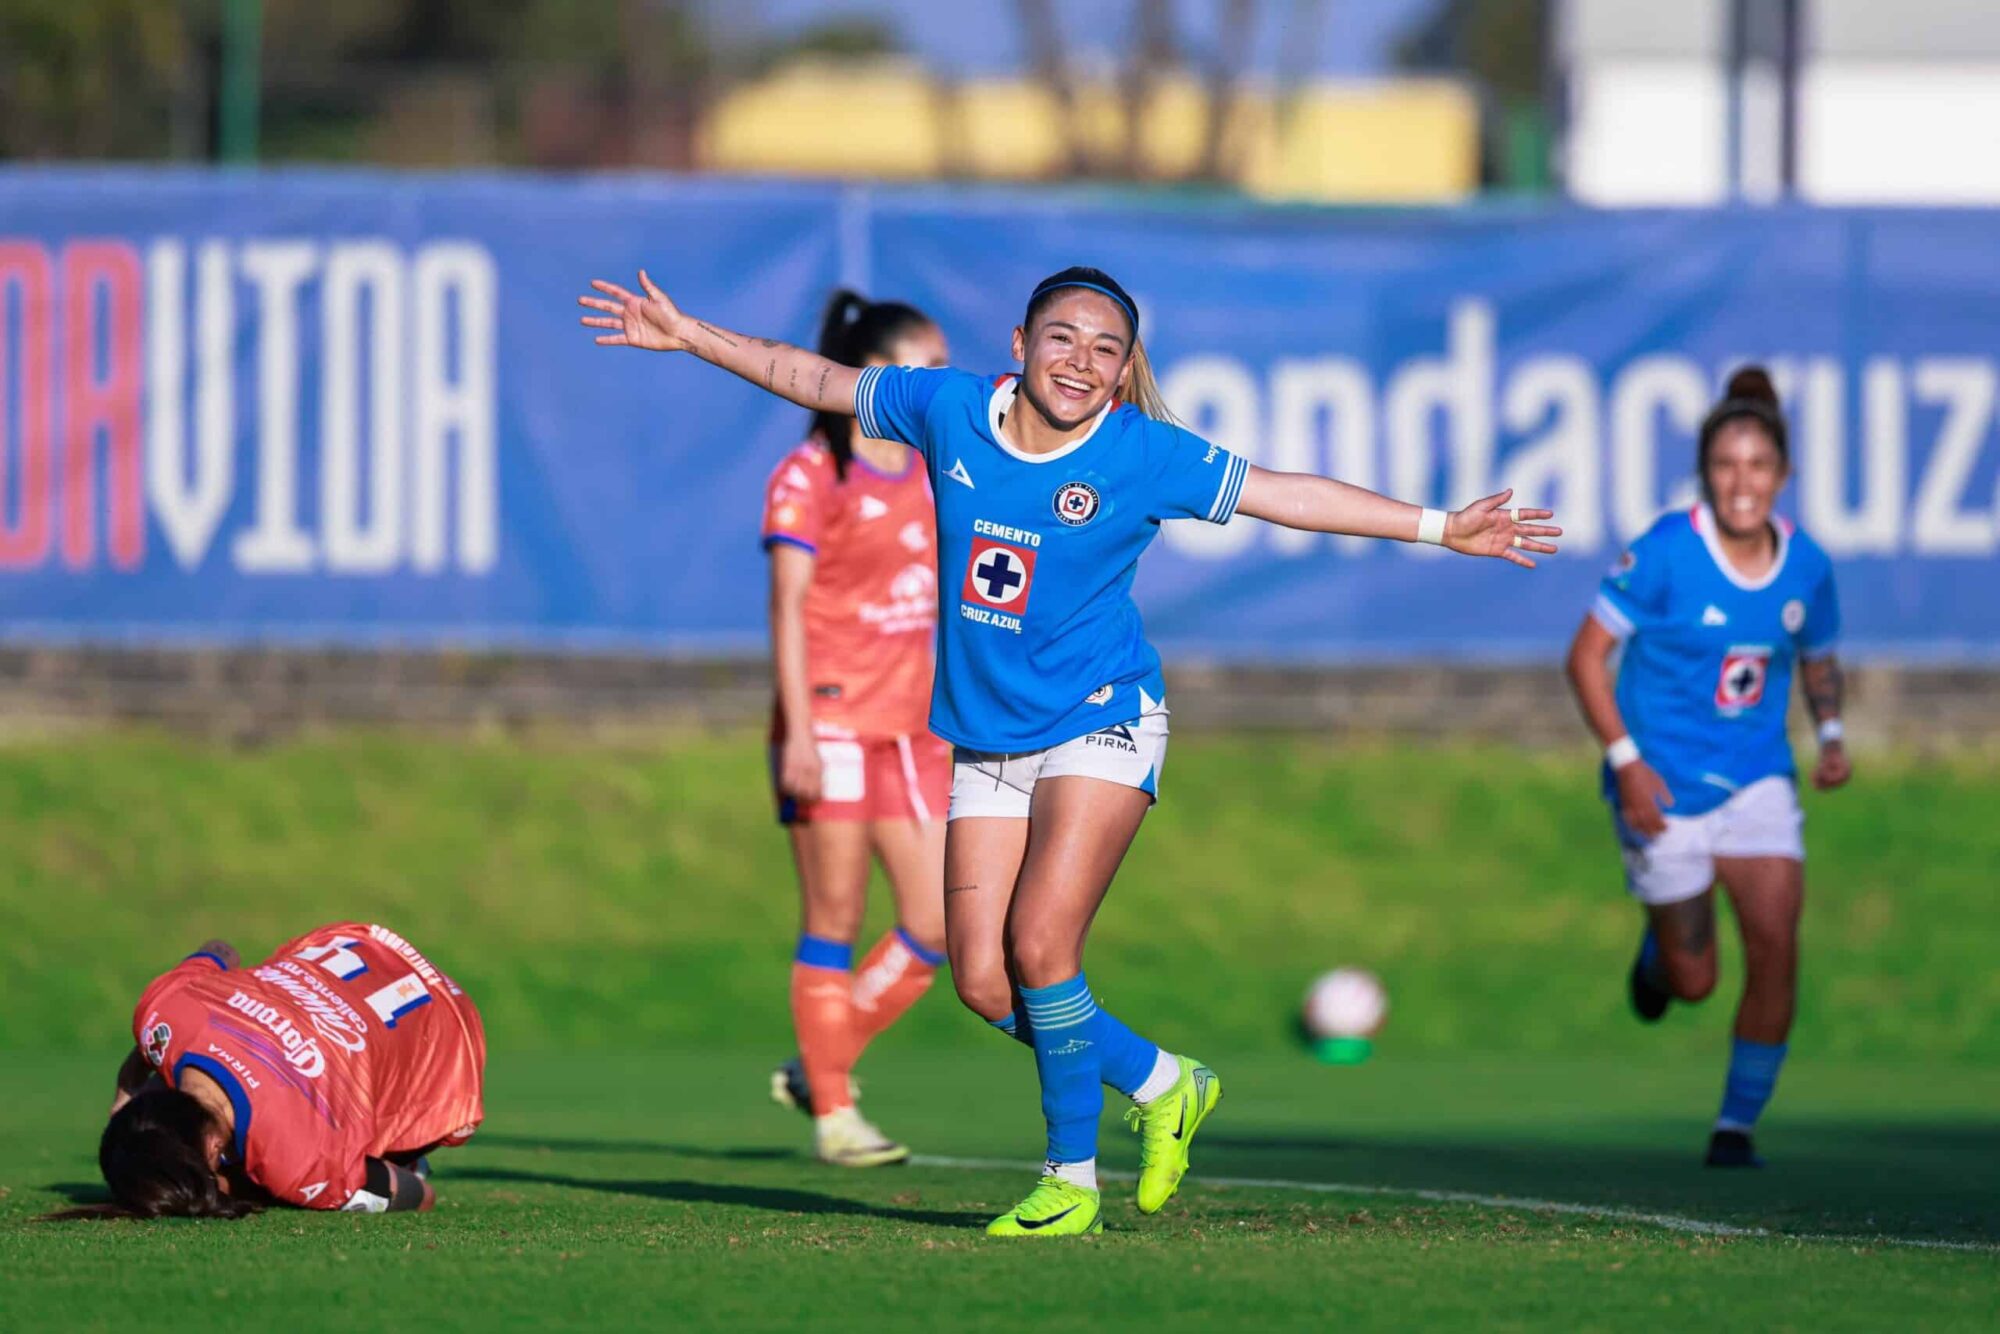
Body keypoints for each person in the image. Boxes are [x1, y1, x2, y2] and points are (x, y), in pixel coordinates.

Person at [579, 263, 1558, 1237]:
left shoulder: (1141, 453)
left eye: (1104, 347)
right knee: (980, 979)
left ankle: (1069, 1178)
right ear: (1018, 343)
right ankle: (1162, 1080)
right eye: (1062, 337)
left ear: (1125, 369)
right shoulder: (948, 407)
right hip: (987, 736)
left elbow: (1283, 494)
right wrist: (691, 334)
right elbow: (814, 379)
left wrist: (1440, 527)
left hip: (1103, 716)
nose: (1080, 360)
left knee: (1042, 944)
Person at [1565, 366, 1848, 1169]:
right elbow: (1586, 658)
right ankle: (1660, 962)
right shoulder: (1664, 553)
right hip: (1663, 785)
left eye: (1758, 466)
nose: (1742, 483)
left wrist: (1830, 732)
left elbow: (1818, 656)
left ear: (1782, 477)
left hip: (1759, 778)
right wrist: (1624, 763)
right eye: (1727, 465)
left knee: (1777, 946)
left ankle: (1734, 1128)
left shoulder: (1807, 567)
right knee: (1694, 980)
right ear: (1705, 473)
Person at [762, 290, 952, 1167]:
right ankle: (836, 1115)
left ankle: (819, 1060)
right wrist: (798, 731)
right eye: (932, 367)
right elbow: (789, 608)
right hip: (832, 725)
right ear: (879, 376)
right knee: (834, 915)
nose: (948, 385)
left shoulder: (930, 466)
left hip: (912, 731)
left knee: (939, 922)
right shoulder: (812, 473)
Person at [94, 921, 485, 1217]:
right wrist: (125, 1087)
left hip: (445, 1028)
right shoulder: (165, 1011)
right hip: (359, 945)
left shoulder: (299, 1163)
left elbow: (419, 1193)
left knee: (391, 1152)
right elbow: (221, 950)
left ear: (213, 1148)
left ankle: (393, 1148)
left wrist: (248, 1187)